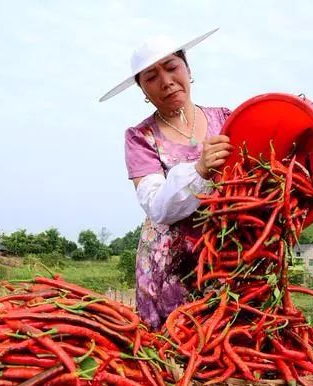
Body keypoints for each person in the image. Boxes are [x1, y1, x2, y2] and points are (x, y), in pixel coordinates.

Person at [99, 28, 233, 330]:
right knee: (172, 349)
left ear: (188, 69)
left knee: (225, 346)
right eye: (151, 77)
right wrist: (199, 171)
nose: (166, 81)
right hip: (168, 267)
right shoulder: (140, 137)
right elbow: (157, 206)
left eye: (172, 67)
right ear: (143, 90)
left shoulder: (225, 119)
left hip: (225, 257)